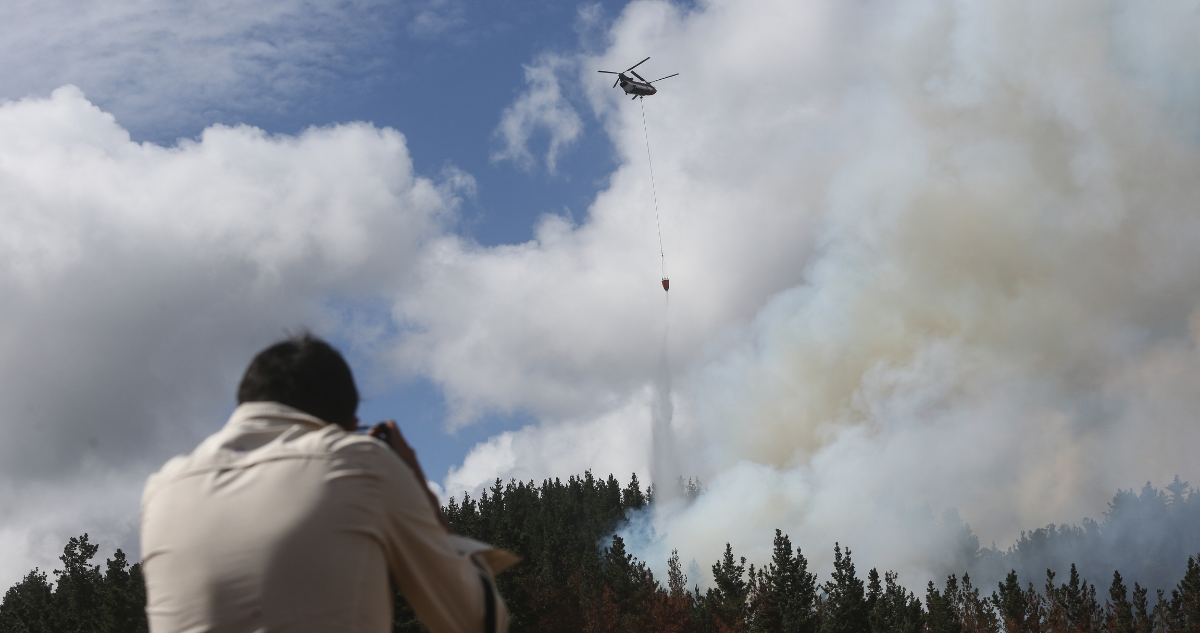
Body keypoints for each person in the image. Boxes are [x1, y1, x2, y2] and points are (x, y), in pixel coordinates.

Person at [140, 333, 514, 632]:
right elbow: (476, 622)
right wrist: (415, 482)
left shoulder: (161, 489)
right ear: (349, 427)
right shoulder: (362, 462)